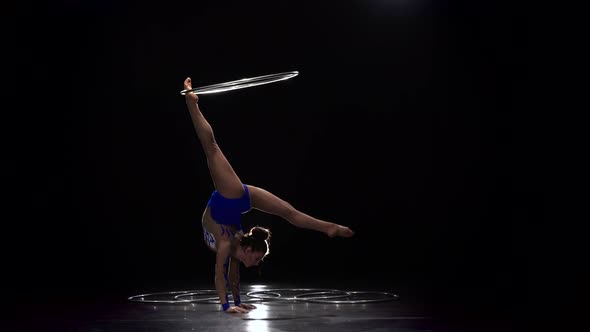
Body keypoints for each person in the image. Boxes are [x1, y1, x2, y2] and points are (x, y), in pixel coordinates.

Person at [182, 77, 354, 314]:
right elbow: (232, 275)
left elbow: (220, 276)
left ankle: (192, 103)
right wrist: (236, 302)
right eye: (259, 259)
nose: (258, 263)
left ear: (249, 251)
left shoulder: (226, 244)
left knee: (211, 147)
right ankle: (328, 227)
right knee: (287, 210)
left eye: (258, 259)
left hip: (226, 198)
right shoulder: (237, 242)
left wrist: (227, 306)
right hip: (235, 202)